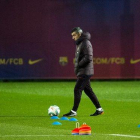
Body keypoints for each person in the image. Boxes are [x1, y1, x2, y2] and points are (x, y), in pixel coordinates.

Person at [63, 27, 104, 117]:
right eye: (72, 35)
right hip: (83, 71)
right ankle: (99, 109)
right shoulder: (81, 43)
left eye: (74, 35)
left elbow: (88, 57)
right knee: (88, 90)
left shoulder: (85, 42)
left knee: (77, 89)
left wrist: (79, 65)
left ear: (79, 34)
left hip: (85, 71)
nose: (73, 37)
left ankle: (73, 111)